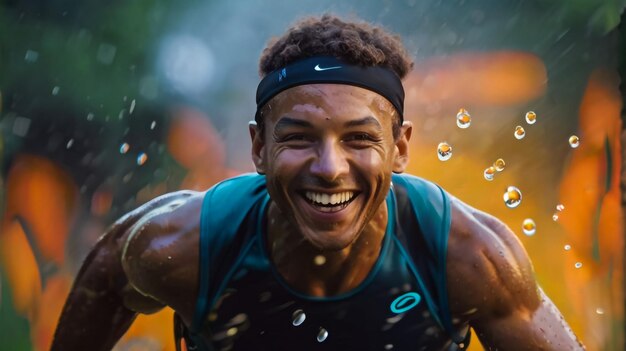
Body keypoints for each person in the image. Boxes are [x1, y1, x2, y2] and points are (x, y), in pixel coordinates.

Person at [51, 14, 585, 351]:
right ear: (259, 148)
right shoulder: (179, 246)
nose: (329, 167)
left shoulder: (467, 258)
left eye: (358, 139)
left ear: (400, 148)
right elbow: (107, 280)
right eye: (300, 137)